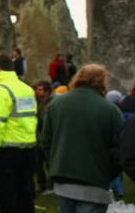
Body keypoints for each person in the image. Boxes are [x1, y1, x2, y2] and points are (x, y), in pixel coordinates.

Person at [43, 64, 123, 213]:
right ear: (103, 81)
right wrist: (108, 173)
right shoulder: (111, 110)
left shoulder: (56, 104)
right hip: (95, 181)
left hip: (63, 178)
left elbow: (46, 142)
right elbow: (121, 150)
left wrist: (54, 165)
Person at [0, 54, 37, 213]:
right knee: (26, 195)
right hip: (29, 148)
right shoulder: (27, 89)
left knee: (7, 197)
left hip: (7, 151)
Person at [33, 80, 53, 193]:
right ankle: (42, 185)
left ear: (47, 91)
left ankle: (51, 185)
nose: (37, 91)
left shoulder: (52, 103)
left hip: (48, 137)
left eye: (40, 89)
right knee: (38, 163)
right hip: (37, 138)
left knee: (49, 163)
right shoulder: (35, 102)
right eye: (37, 89)